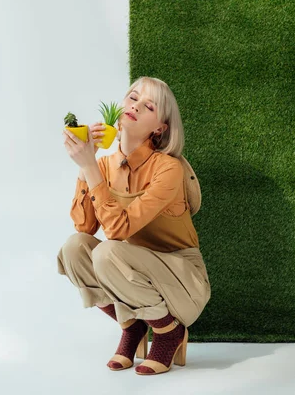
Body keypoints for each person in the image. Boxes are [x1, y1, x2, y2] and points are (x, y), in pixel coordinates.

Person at [58, 76, 210, 375]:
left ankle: (169, 332)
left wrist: (89, 165)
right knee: (74, 249)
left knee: (108, 252)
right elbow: (84, 227)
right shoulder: (102, 166)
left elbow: (116, 231)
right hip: (131, 272)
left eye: (149, 105)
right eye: (132, 97)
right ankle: (132, 326)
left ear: (160, 127)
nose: (135, 106)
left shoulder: (168, 167)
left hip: (181, 279)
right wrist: (86, 166)